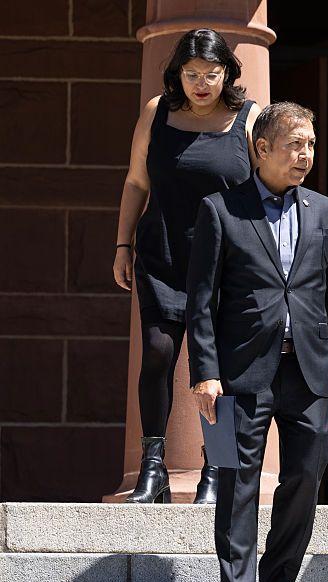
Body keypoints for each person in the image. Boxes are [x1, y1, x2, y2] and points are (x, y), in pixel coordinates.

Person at [185, 102, 328, 582]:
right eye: (294, 144)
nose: (305, 155)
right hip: (239, 374)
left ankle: (277, 578)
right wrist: (205, 372)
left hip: (309, 373)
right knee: (237, 483)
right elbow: (201, 301)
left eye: (310, 145)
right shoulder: (220, 210)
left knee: (306, 473)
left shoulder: (327, 212)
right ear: (261, 149)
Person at [112, 28, 260, 504]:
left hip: (226, 263)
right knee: (158, 352)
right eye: (192, 74)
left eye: (211, 74)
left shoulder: (249, 118)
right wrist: (122, 245)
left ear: (227, 73)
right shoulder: (157, 112)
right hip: (163, 254)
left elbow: (267, 194)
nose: (201, 84)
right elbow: (136, 182)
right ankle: (152, 469)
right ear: (177, 73)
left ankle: (217, 470)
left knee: (220, 370)